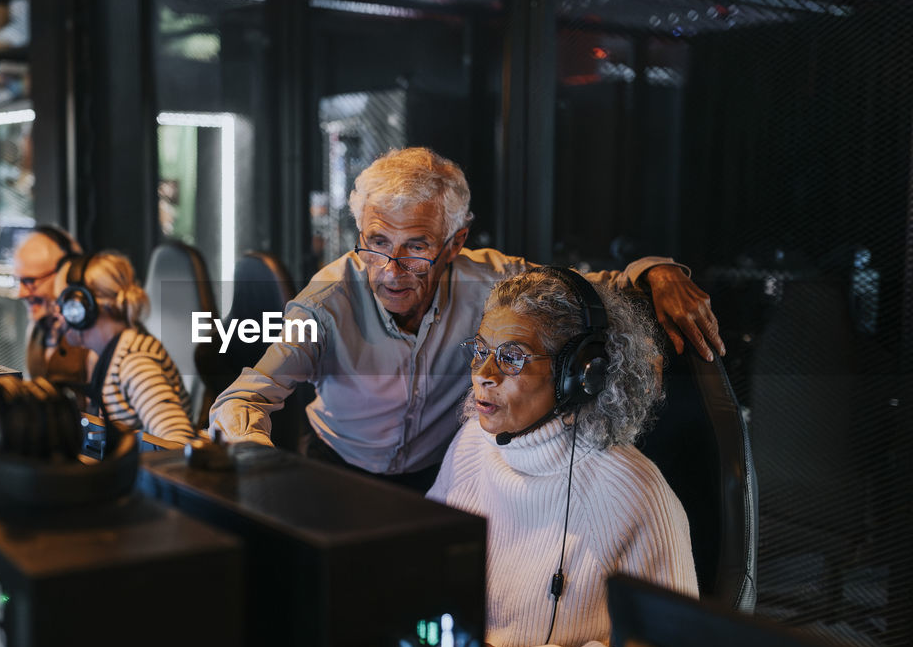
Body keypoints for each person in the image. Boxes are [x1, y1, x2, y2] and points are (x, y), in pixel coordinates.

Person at [208, 146, 724, 491]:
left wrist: (657, 271)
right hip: (339, 470)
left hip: (447, 474)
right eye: (377, 243)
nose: (390, 271)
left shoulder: (494, 281)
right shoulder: (323, 302)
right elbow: (243, 396)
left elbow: (597, 285)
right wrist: (259, 460)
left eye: (416, 247)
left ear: (455, 242)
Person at [427, 267, 697, 647]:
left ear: (579, 374)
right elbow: (418, 564)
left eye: (511, 357)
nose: (484, 375)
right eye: (480, 351)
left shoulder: (636, 493)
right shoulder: (474, 442)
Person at [53, 250, 195, 444]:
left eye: (63, 304)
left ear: (83, 307)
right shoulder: (106, 355)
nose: (57, 314)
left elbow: (177, 443)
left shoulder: (135, 363)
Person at [12, 225, 91, 393]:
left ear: (67, 273)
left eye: (30, 281)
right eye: (18, 281)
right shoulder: (36, 329)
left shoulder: (93, 337)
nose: (21, 293)